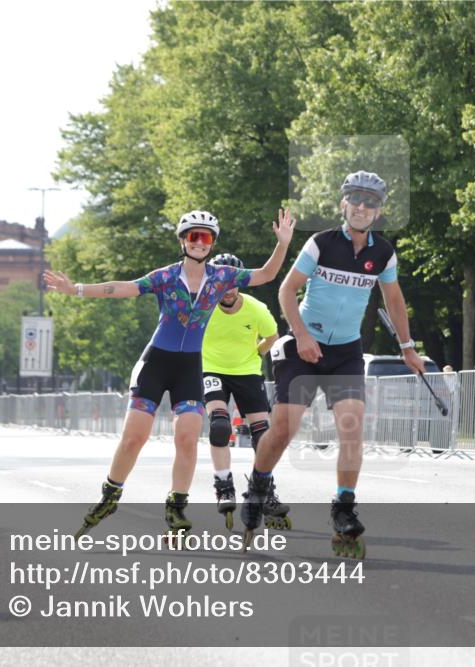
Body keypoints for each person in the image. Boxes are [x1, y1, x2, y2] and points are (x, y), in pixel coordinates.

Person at [44, 209, 295, 538]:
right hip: (156, 364)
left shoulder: (222, 277)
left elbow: (265, 274)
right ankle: (109, 496)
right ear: (183, 240)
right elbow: (121, 288)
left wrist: (283, 244)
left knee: (188, 438)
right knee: (135, 437)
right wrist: (75, 289)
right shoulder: (165, 277)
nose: (200, 243)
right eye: (194, 236)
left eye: (206, 237)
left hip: (190, 366)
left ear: (212, 243)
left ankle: (176, 509)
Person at [240, 171, 424, 559]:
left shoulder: (383, 253)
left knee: (352, 427)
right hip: (302, 347)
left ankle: (343, 507)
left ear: (379, 210)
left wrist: (408, 347)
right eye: (355, 200)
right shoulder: (320, 243)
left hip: (345, 351)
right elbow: (286, 290)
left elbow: (394, 300)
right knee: (285, 428)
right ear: (343, 204)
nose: (361, 207)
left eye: (370, 202)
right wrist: (302, 335)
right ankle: (258, 485)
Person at [199, 253, 287, 530]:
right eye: (222, 283)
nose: (228, 290)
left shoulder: (256, 308)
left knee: (263, 434)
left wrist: (256, 353)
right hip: (211, 370)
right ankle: (223, 484)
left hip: (247, 372)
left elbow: (272, 336)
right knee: (220, 426)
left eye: (233, 283)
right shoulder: (203, 306)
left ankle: (266, 489)